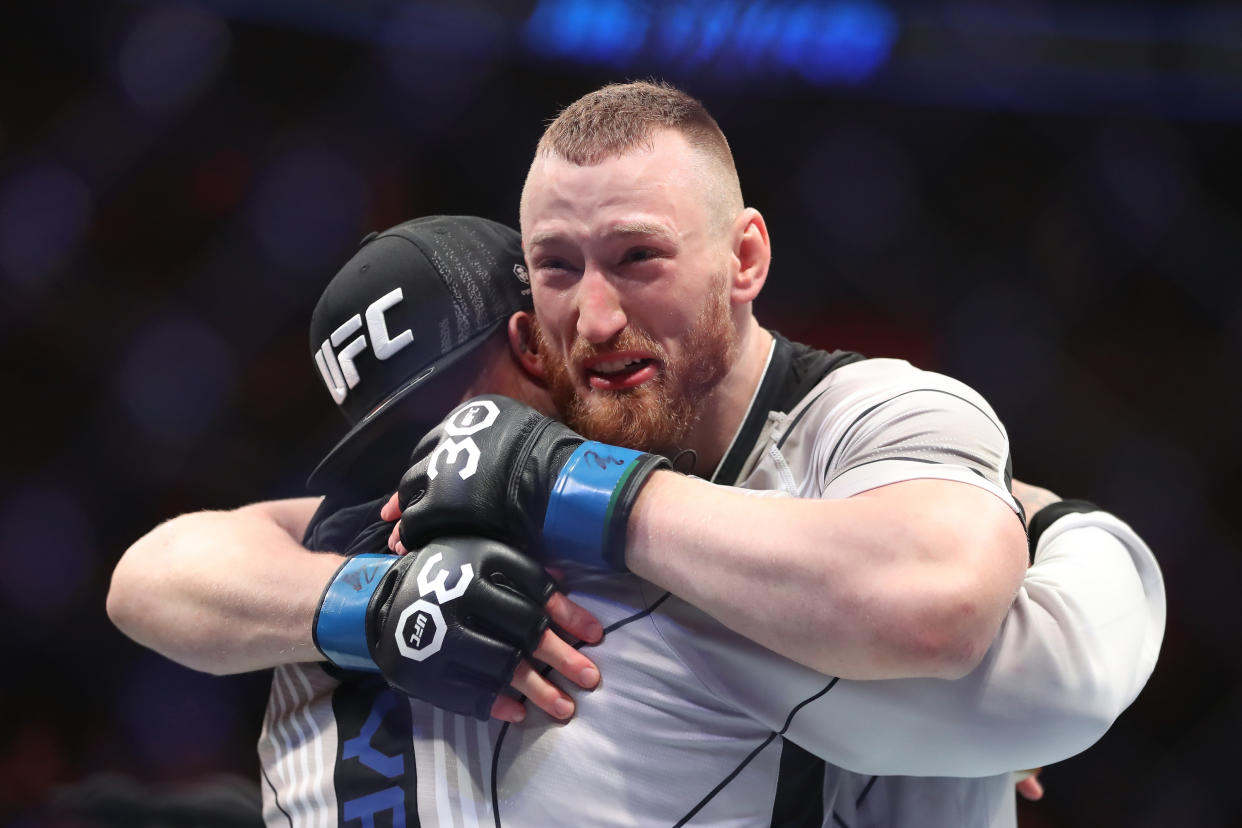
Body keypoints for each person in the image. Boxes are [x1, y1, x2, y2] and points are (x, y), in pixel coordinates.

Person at [109, 92, 1163, 826]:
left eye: (637, 259)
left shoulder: (787, 497)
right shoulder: (378, 544)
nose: (433, 459)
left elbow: (992, 650)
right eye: (561, 270)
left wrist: (1051, 521)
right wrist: (371, 607)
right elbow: (153, 576)